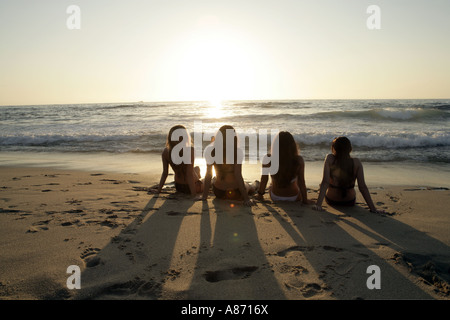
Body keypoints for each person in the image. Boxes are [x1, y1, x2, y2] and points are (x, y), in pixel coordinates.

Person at [313, 136, 384, 213]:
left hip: (332, 200)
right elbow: (362, 187)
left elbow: (325, 182)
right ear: (350, 149)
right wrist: (373, 209)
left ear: (334, 148)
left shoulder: (330, 159)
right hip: (349, 201)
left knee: (322, 185)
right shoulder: (357, 162)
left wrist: (318, 205)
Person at [201, 125, 256, 206]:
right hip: (236, 192)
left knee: (214, 179)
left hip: (218, 192)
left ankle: (253, 185)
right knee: (248, 186)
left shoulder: (211, 151)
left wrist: (204, 197)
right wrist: (246, 199)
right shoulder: (237, 152)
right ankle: (255, 184)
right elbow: (238, 176)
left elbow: (208, 175)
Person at [256, 131, 313, 204]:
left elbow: (264, 179)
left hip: (275, 196)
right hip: (294, 197)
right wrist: (305, 200)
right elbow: (301, 182)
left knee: (271, 184)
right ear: (292, 146)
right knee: (296, 180)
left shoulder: (268, 158)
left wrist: (260, 195)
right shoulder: (298, 160)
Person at [153, 125, 203, 197]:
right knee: (207, 180)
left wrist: (158, 191)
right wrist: (193, 194)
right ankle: (202, 180)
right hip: (192, 187)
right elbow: (189, 174)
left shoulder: (166, 152)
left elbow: (165, 173)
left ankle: (198, 175)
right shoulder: (190, 150)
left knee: (197, 168)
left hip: (179, 187)